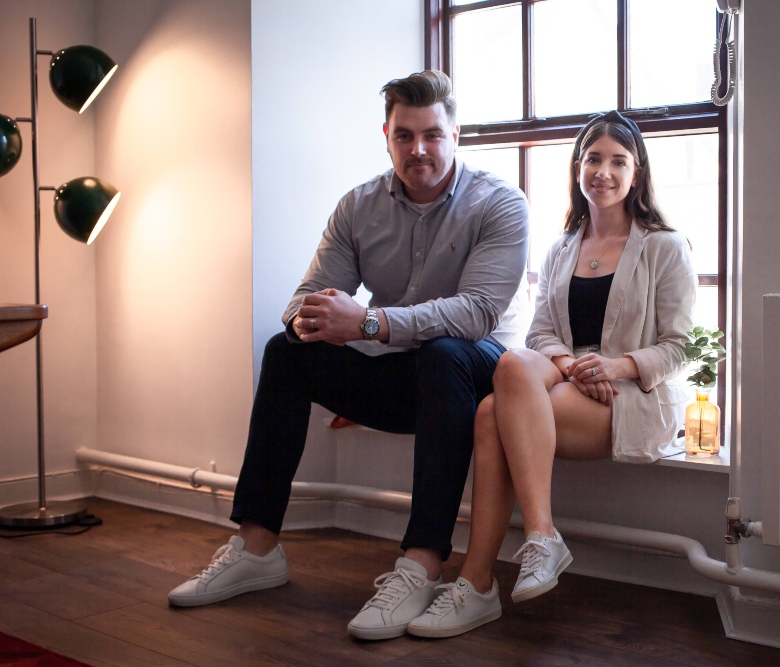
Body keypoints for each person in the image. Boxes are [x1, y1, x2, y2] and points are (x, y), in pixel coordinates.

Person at [166, 70, 530, 641]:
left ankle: (422, 563)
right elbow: (300, 299)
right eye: (404, 136)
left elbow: (477, 312)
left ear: (456, 134)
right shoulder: (357, 207)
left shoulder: (500, 204)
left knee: (444, 350)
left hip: (474, 379)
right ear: (386, 135)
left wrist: (366, 321)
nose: (419, 150)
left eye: (432, 135)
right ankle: (258, 549)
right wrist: (312, 319)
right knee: (286, 351)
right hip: (400, 377)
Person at [405, 110, 697, 638]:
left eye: (617, 161)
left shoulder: (664, 246)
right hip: (572, 383)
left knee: (494, 412)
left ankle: (479, 583)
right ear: (577, 167)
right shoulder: (563, 246)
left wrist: (615, 365)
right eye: (592, 159)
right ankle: (537, 539)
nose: (602, 172)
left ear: (638, 174)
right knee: (511, 368)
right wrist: (573, 366)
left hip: (629, 395)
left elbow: (680, 349)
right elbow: (540, 334)